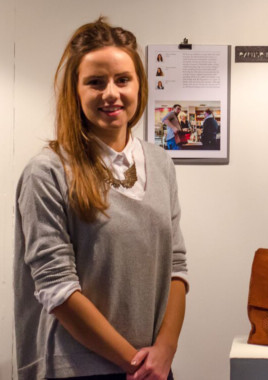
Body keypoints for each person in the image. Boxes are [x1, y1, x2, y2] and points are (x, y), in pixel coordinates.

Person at [14, 18, 188, 380]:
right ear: (75, 92)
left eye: (122, 79)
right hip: (78, 369)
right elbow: (57, 288)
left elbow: (176, 266)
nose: (111, 93)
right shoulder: (47, 173)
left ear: (139, 85)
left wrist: (165, 353)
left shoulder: (160, 163)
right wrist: (136, 364)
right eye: (96, 82)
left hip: (153, 367)